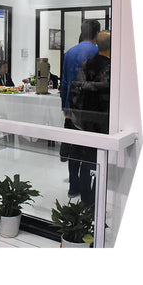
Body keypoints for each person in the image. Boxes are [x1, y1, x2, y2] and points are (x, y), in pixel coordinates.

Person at [67, 30, 111, 206]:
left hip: (84, 119)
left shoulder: (86, 64)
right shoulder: (111, 67)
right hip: (103, 120)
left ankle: (86, 198)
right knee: (99, 160)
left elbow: (79, 88)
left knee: (86, 159)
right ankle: (95, 199)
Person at [60, 19, 101, 199]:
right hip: (91, 110)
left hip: (72, 108)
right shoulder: (98, 52)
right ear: (96, 34)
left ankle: (73, 187)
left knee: (74, 149)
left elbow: (64, 83)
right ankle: (86, 191)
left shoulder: (69, 53)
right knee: (88, 151)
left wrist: (65, 106)